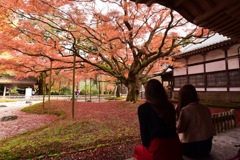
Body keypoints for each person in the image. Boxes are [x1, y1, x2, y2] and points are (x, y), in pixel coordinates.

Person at [134, 79, 183, 160]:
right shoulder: (170, 106)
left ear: (147, 92)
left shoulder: (143, 108)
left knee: (137, 150)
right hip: (175, 146)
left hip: (158, 149)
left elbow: (145, 137)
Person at [176, 84, 215, 158]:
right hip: (207, 146)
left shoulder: (185, 110)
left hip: (192, 148)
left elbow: (179, 130)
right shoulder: (205, 108)